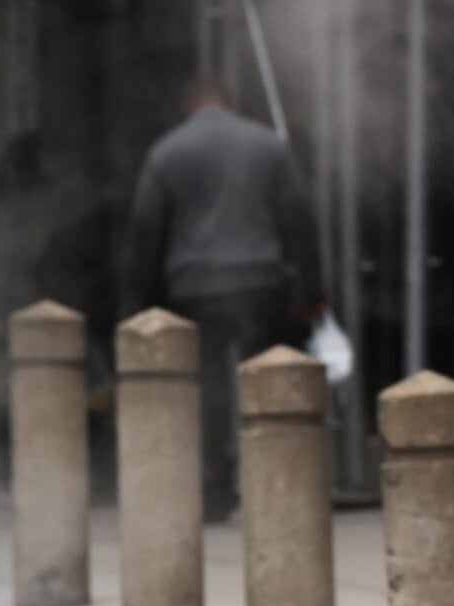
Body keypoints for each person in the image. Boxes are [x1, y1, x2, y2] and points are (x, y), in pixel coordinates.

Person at [121, 78, 324, 523]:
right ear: (230, 103)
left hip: (194, 289)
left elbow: (144, 232)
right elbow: (300, 218)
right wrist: (312, 291)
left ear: (188, 105)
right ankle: (273, 487)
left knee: (207, 394)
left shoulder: (167, 151)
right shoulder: (267, 145)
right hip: (258, 283)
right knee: (267, 387)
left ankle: (214, 494)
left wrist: (135, 306)